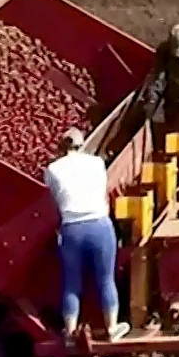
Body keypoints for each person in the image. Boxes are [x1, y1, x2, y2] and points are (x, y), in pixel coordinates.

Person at [44, 129, 128, 341]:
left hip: (72, 229)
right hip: (100, 225)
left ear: (61, 147)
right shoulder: (97, 163)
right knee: (106, 279)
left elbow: (52, 198)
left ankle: (70, 332)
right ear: (82, 145)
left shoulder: (52, 169)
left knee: (71, 283)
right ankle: (111, 328)